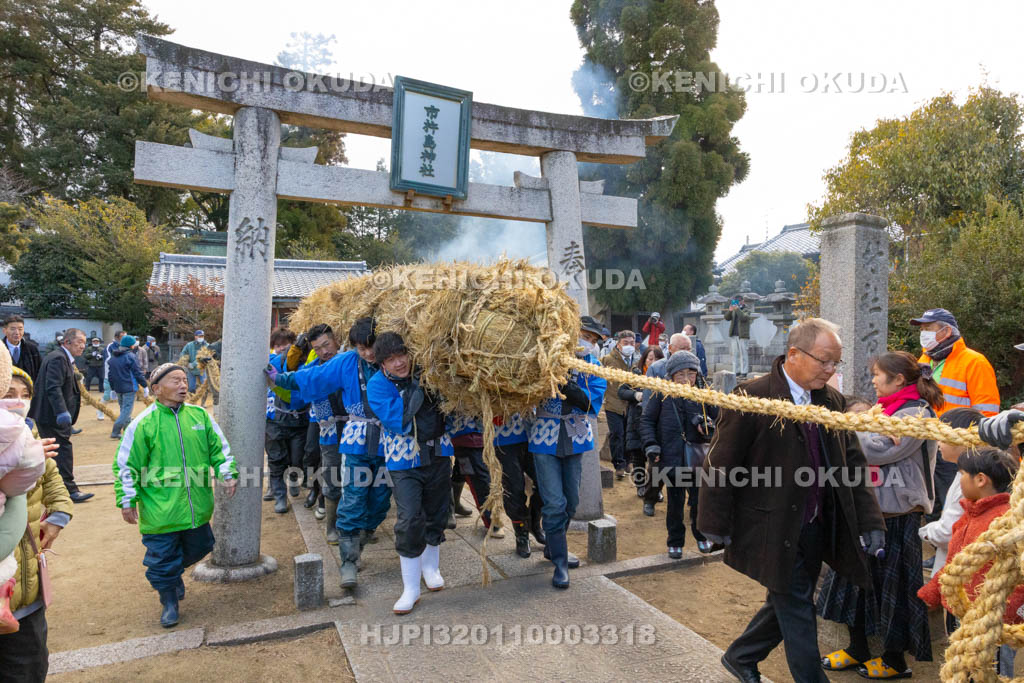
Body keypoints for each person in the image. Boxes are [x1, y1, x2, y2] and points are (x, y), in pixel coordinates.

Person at [698, 317, 885, 683]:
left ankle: (740, 656)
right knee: (797, 607)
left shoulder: (830, 401)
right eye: (824, 361)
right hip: (772, 524)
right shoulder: (753, 397)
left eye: (836, 363)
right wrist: (713, 523)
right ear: (794, 354)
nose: (831, 370)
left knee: (786, 598)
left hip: (816, 523)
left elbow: (853, 466)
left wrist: (870, 521)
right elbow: (720, 462)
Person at [817, 351, 943, 678]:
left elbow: (880, 449)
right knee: (853, 583)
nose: (873, 380)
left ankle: (894, 660)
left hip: (897, 514)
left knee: (895, 589)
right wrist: (863, 430)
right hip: (868, 509)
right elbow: (869, 442)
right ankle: (857, 648)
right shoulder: (886, 410)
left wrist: (848, 429)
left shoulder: (918, 414)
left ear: (899, 379)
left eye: (877, 374)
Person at [270, 319, 393, 589]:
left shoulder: (392, 359)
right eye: (361, 348)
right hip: (356, 439)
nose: (367, 353)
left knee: (381, 500)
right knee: (353, 496)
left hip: (389, 441)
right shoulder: (347, 362)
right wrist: (279, 378)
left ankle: (360, 541)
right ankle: (348, 561)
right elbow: (314, 377)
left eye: (370, 346)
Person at [113, 362, 237, 627]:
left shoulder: (200, 416)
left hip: (197, 507)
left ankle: (172, 576)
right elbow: (126, 464)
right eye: (175, 381)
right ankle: (169, 599)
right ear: (157, 389)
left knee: (202, 546)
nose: (183, 386)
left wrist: (227, 472)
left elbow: (219, 448)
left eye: (184, 380)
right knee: (161, 561)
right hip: (160, 510)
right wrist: (127, 499)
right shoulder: (143, 424)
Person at [366, 332, 452, 614]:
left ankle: (431, 569)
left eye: (402, 355)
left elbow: (449, 408)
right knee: (409, 517)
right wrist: (418, 390)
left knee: (437, 511)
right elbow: (398, 419)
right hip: (403, 460)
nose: (399, 363)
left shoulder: (428, 370)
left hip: (438, 452)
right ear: (381, 363)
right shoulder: (378, 385)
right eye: (390, 359)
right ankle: (410, 588)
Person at [917, 448, 1022, 678]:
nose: (958, 479)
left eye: (961, 473)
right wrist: (931, 593)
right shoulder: (968, 517)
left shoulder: (1006, 522)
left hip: (993, 620)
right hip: (961, 612)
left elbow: (1017, 576)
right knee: (963, 665)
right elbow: (955, 563)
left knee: (991, 669)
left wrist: (1005, 614)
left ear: (981, 480)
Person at [0, 363, 69, 682]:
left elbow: (52, 475)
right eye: (8, 393)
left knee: (30, 666)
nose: (18, 401)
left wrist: (57, 516)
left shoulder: (29, 433)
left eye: (25, 395)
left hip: (25, 589)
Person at [528, 315, 607, 590]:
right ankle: (560, 563)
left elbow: (591, 403)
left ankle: (552, 545)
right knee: (554, 502)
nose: (588, 342)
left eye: (594, 339)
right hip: (544, 436)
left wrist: (572, 388)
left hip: (575, 435)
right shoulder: (546, 356)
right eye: (585, 334)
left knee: (571, 501)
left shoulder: (594, 366)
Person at [639, 350, 718, 557]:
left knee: (699, 502)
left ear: (697, 375)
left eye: (691, 374)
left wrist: (708, 426)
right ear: (671, 375)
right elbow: (646, 420)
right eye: (680, 374)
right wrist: (651, 445)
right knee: (674, 504)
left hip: (697, 458)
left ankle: (701, 536)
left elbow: (719, 420)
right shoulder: (661, 394)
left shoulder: (704, 395)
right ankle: (675, 541)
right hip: (671, 458)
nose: (686, 379)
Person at [291, 324, 346, 544]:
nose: (324, 351)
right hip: (329, 430)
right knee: (332, 475)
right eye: (318, 348)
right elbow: (296, 394)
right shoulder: (311, 371)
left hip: (358, 428)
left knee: (361, 479)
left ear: (335, 340)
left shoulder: (349, 362)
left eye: (327, 344)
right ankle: (331, 525)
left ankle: (359, 525)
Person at [29, 328, 92, 503]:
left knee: (55, 451)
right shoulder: (58, 358)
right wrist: (61, 412)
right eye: (79, 342)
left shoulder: (62, 358)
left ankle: (57, 489)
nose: (83, 346)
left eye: (84, 342)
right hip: (51, 416)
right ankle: (69, 490)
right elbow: (53, 387)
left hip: (51, 415)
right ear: (67, 342)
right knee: (61, 451)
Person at [919, 408, 983, 576]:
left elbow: (947, 532)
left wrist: (924, 532)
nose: (938, 443)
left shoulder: (969, 482)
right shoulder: (963, 474)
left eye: (944, 437)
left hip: (956, 570)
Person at [262, 328, 309, 513]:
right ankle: (280, 496)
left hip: (299, 421)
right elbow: (279, 363)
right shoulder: (271, 363)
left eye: (286, 345)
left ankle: (294, 480)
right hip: (274, 421)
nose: (282, 348)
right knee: (276, 459)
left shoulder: (303, 364)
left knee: (297, 458)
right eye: (278, 345)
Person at [492, 412, 545, 558]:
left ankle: (535, 523)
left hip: (535, 434)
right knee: (514, 489)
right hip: (503, 438)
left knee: (545, 483)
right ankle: (521, 534)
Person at [447, 414, 505, 538]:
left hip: (482, 430)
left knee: (462, 468)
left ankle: (454, 504)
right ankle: (491, 520)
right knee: (478, 475)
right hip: (462, 431)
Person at [623, 345, 663, 497]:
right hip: (636, 420)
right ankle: (640, 485)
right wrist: (636, 395)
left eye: (657, 359)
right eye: (650, 358)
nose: (653, 362)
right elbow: (622, 391)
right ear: (644, 359)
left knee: (656, 460)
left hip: (656, 422)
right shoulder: (636, 374)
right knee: (638, 457)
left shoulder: (664, 376)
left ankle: (654, 489)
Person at [601, 330, 638, 479]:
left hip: (630, 403)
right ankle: (619, 464)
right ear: (618, 344)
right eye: (625, 343)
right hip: (613, 403)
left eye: (631, 343)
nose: (629, 346)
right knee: (617, 434)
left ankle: (629, 461)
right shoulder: (607, 360)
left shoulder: (636, 361)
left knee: (628, 434)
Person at [107, 335, 147, 441]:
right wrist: (145, 385)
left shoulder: (113, 357)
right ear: (131, 346)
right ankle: (115, 431)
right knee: (126, 411)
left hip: (118, 388)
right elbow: (137, 373)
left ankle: (127, 429)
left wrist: (112, 388)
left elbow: (110, 375)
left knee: (123, 409)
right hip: (129, 387)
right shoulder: (130, 356)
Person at [3, 315, 41, 382]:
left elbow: (39, 372)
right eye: (12, 329)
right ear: (4, 331)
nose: (17, 333)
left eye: (20, 329)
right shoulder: (1, 349)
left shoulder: (32, 349)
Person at [723, 298, 752, 379]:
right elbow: (726, 318)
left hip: (743, 335)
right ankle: (736, 371)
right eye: (735, 301)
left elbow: (744, 318)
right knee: (735, 354)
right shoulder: (734, 310)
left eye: (738, 301)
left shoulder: (747, 309)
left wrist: (737, 309)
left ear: (742, 301)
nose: (736, 303)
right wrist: (730, 310)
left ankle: (744, 372)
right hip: (734, 335)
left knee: (743, 354)